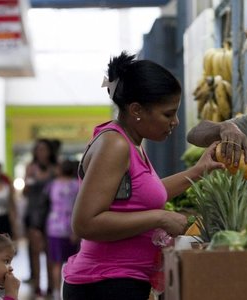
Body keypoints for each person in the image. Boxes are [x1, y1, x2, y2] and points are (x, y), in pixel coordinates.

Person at [62, 51, 224, 300]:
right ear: (136, 109)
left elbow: (142, 196)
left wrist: (198, 171)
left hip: (121, 281)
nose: (176, 122)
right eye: (168, 114)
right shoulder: (115, 145)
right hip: (105, 285)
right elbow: (84, 223)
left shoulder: (130, 142)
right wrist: (159, 218)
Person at [23, 138, 58, 297]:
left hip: (51, 214)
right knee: (36, 251)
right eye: (39, 150)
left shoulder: (55, 169)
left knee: (50, 252)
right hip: (34, 214)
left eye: (44, 149)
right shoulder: (31, 168)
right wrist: (28, 180)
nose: (41, 153)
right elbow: (25, 192)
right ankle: (37, 284)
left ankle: (51, 284)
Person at [44, 159, 81, 300]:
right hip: (73, 227)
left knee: (56, 263)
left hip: (54, 227)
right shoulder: (76, 185)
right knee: (74, 262)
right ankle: (72, 291)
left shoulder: (52, 185)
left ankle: (55, 294)